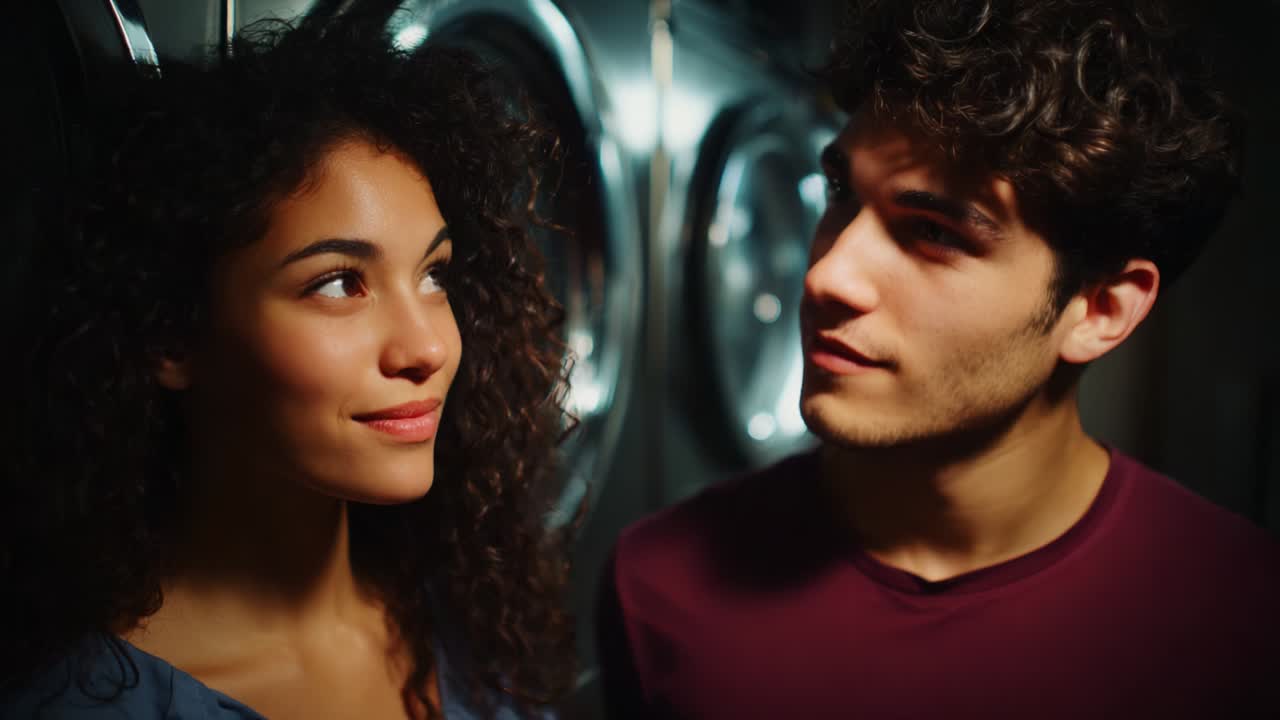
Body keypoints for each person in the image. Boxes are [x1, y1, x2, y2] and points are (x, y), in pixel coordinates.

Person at [597, 1, 1280, 717]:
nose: (828, 275)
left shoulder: (1246, 621)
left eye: (934, 232)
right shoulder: (658, 587)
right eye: (841, 193)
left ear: (1101, 309)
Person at [0, 15, 577, 720]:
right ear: (172, 336)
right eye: (339, 283)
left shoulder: (465, 619)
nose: (426, 347)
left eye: (434, 275)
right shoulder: (87, 704)